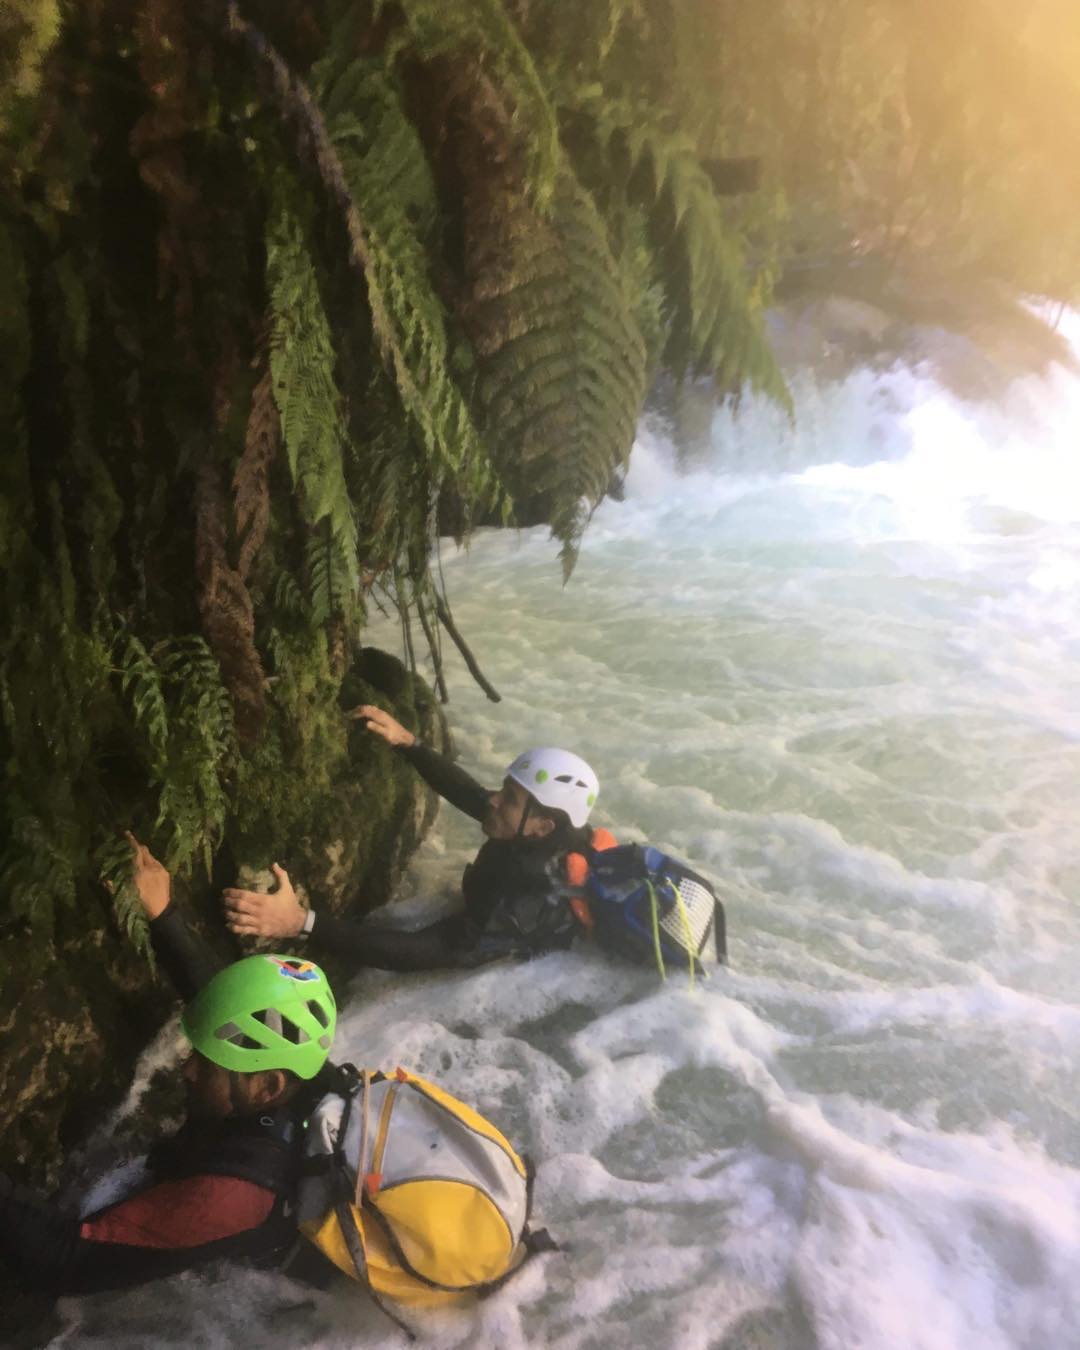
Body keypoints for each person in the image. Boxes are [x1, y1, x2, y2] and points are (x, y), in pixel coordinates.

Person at [0, 836, 337, 1295]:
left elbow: (61, 1261)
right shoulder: (302, 1070)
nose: (187, 1071)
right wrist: (163, 914)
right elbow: (224, 1009)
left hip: (264, 1299)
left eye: (209, 1065)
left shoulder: (231, 1196)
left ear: (267, 1088)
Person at [224, 707, 615, 970]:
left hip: (524, 964)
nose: (494, 800)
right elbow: (470, 794)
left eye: (509, 798)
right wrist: (409, 743)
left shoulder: (520, 901)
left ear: (544, 826)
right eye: (504, 789)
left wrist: (299, 922)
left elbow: (417, 952)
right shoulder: (532, 827)